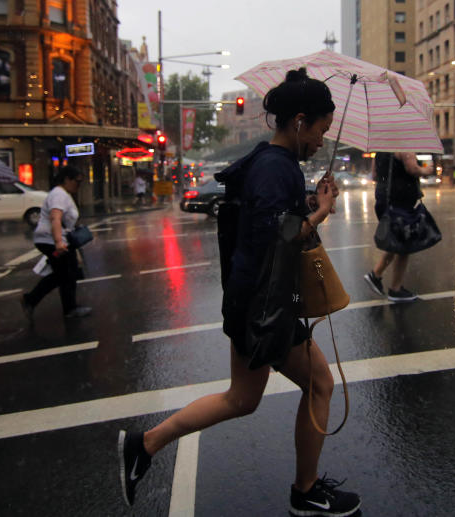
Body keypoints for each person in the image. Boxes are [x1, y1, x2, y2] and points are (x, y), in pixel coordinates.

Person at [117, 68, 360, 517]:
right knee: (320, 385)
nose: (324, 140)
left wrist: (305, 205)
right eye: (322, 129)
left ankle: (145, 444)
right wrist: (321, 211)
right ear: (300, 121)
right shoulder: (275, 168)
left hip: (250, 302)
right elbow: (276, 241)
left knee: (241, 399)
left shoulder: (271, 164)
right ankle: (305, 491)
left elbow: (271, 225)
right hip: (264, 306)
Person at [20, 166, 91, 321]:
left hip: (57, 240)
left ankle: (31, 300)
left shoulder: (63, 194)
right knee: (66, 275)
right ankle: (68, 308)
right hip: (52, 240)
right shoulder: (59, 195)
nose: (78, 185)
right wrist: (59, 242)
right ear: (66, 179)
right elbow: (55, 218)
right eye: (77, 181)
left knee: (64, 274)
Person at [363, 152, 427, 303]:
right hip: (399, 201)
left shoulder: (379, 151)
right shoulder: (403, 147)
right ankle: (395, 289)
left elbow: (374, 175)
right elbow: (413, 169)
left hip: (384, 199)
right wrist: (427, 170)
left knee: (396, 240)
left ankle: (376, 275)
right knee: (403, 244)